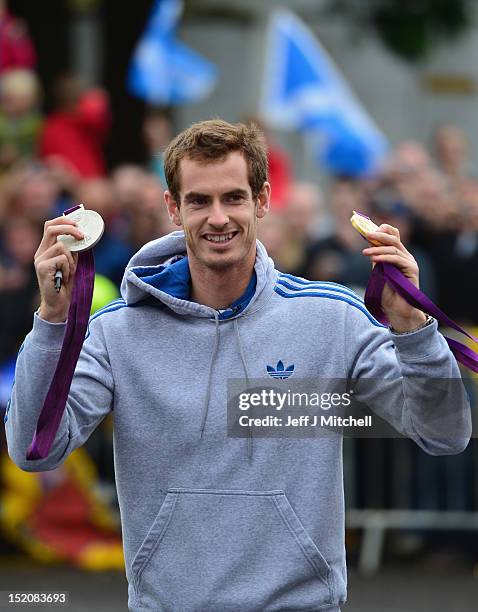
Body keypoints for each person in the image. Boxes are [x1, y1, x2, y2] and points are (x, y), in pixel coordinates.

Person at [5, 119, 471, 611]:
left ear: (263, 201)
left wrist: (415, 329)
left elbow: (443, 433)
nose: (218, 217)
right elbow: (35, 450)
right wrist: (53, 321)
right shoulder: (116, 331)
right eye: (199, 201)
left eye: (234, 197)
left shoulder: (331, 317)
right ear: (172, 207)